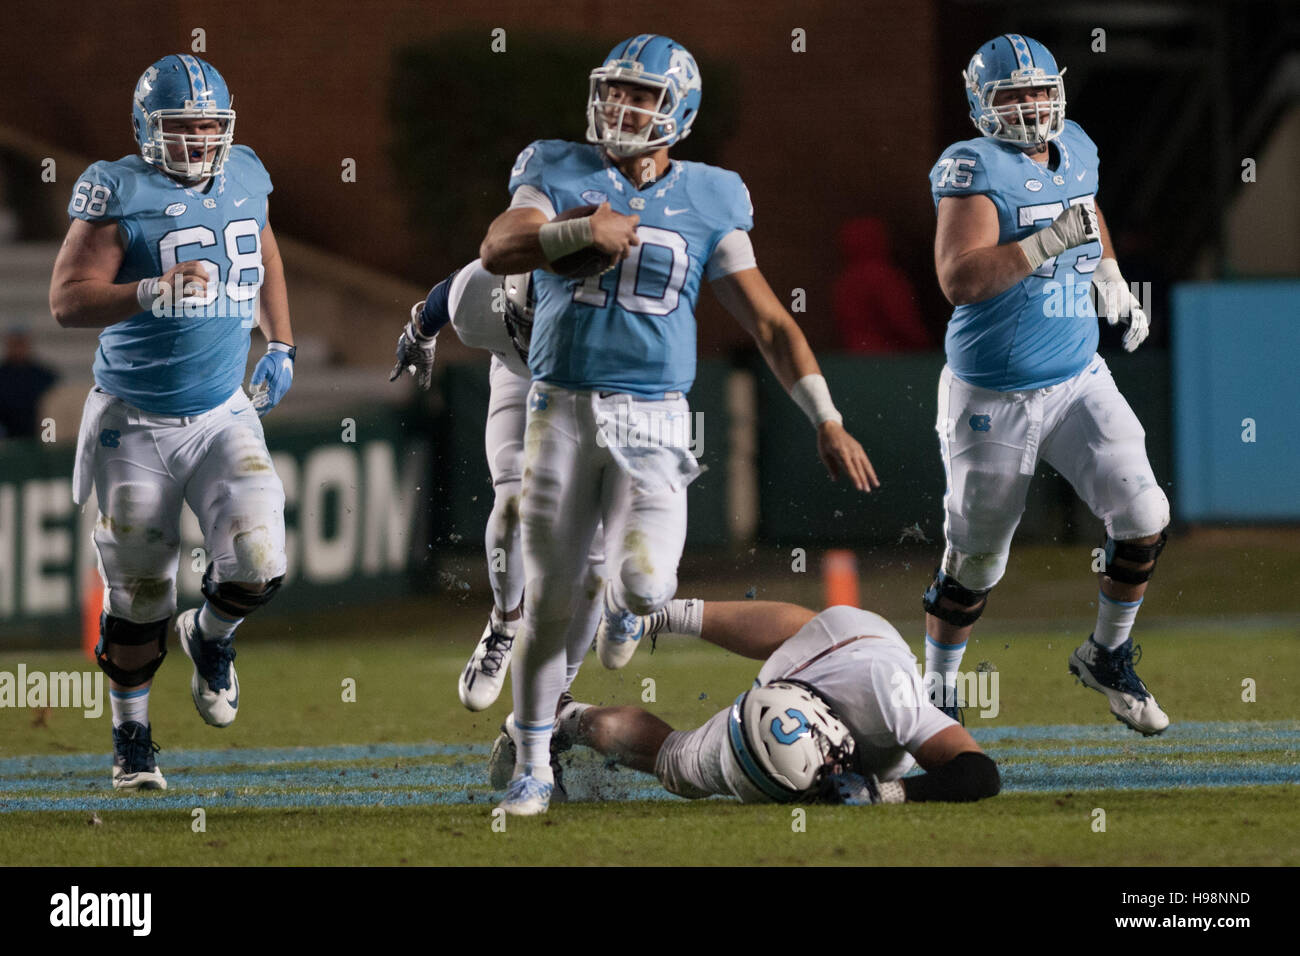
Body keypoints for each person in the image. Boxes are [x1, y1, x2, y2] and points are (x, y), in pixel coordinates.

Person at [477, 34, 880, 815]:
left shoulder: (711, 195)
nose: (622, 108)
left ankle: (629, 609)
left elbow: (768, 323)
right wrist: (577, 232)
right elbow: (498, 246)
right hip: (558, 409)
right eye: (615, 91)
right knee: (554, 600)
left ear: (679, 113)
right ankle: (533, 761)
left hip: (656, 418)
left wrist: (827, 417)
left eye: (642, 96)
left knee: (645, 580)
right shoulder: (557, 168)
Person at [48, 54, 295, 789]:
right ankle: (132, 740)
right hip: (134, 418)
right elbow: (67, 300)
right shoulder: (117, 188)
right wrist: (149, 289)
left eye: (209, 126)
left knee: (259, 561)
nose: (197, 141)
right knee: (140, 594)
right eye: (181, 127)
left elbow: (266, 245)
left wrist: (279, 338)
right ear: (147, 129)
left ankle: (210, 636)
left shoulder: (247, 171)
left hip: (222, 411)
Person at [923, 35, 1169, 735]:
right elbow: (959, 280)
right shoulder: (972, 166)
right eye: (1013, 95)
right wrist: (1043, 245)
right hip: (992, 393)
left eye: (1038, 91)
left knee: (1143, 514)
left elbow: (1086, 216)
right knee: (977, 559)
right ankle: (936, 689)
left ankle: (1107, 654)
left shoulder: (1079, 144)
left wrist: (1110, 277)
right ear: (982, 105)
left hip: (1078, 376)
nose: (1030, 107)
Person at [488, 599, 1001, 806]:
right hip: (776, 701)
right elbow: (980, 774)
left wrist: (881, 791)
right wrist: (887, 794)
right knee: (677, 769)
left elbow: (978, 773)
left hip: (847, 655)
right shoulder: (873, 687)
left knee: (675, 765)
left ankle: (564, 718)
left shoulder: (888, 689)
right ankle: (561, 718)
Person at [390, 262, 605, 715]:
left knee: (595, 560)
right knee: (512, 504)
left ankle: (554, 698)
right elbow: (441, 298)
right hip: (518, 376)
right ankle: (505, 624)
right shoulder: (478, 294)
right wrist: (418, 335)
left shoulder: (612, 313)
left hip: (592, 386)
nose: (535, 339)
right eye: (526, 324)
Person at [831, 217, 932, 353]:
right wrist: (925, 345)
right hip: (888, 356)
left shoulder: (845, 281)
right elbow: (901, 321)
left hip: (857, 355)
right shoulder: (880, 276)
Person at [0, 330, 60, 438]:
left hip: (37, 433)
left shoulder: (44, 376)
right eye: (14, 344)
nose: (18, 349)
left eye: (21, 344)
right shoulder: (2, 375)